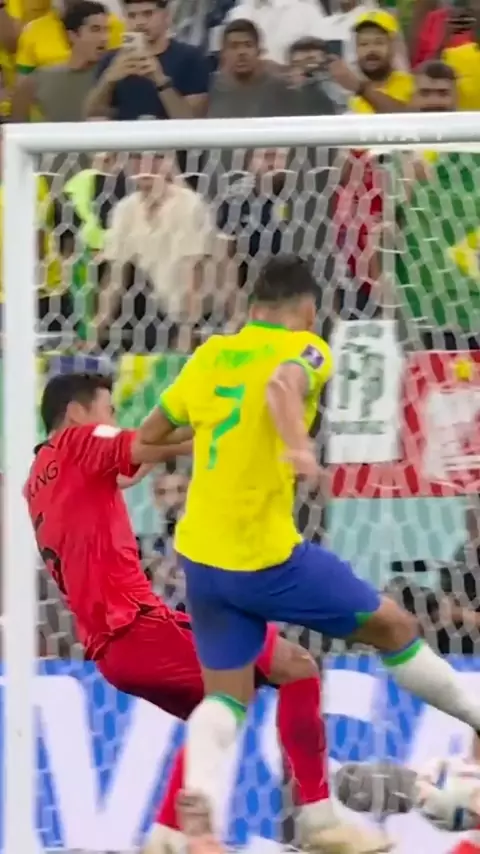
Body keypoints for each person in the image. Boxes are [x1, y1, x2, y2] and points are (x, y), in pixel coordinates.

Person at [136, 254, 480, 854]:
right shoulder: (309, 348)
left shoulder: (211, 356)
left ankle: (187, 832)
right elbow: (281, 385)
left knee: (227, 696)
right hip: (264, 557)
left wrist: (219, 430)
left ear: (252, 307)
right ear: (307, 309)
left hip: (201, 559)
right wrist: (298, 448)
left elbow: (148, 437)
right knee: (394, 626)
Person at [24, 370, 384, 854]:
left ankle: (170, 836)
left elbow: (130, 467)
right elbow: (144, 442)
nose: (113, 418)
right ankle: (317, 821)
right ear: (76, 414)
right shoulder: (79, 441)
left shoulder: (41, 475)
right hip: (136, 628)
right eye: (108, 409)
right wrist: (217, 426)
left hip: (117, 650)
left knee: (219, 710)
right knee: (292, 668)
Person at [84, 0, 209, 120]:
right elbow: (91, 115)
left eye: (148, 14)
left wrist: (161, 81)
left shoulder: (190, 57)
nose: (140, 22)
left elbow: (193, 120)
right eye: (132, 16)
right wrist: (108, 81)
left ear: (167, 16)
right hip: (126, 134)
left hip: (170, 135)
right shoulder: (111, 59)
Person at [11, 0, 109, 122]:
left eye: (106, 30)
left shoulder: (111, 78)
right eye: (95, 30)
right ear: (72, 35)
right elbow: (17, 123)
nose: (104, 38)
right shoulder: (41, 78)